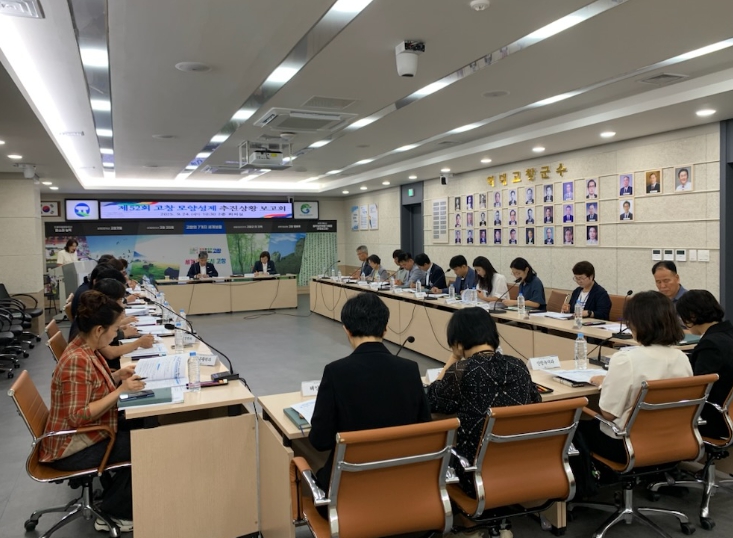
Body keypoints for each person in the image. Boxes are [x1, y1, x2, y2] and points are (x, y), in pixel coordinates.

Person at [41, 291, 146, 532]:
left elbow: (91, 385)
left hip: (87, 431)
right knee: (144, 443)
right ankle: (115, 513)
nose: (116, 334)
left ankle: (116, 496)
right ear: (99, 330)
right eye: (114, 329)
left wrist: (117, 376)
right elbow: (77, 415)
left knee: (143, 425)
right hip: (70, 447)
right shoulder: (77, 360)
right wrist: (121, 391)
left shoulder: (85, 347)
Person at [309, 293, 431, 490]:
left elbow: (320, 441)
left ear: (346, 329)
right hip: (401, 481)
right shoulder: (410, 369)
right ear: (385, 328)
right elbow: (424, 426)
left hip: (348, 487)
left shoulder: (336, 372)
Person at [426, 308, 540, 496]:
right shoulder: (518, 365)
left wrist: (454, 357)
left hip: (473, 474)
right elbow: (536, 399)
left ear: (458, 342)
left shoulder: (461, 370)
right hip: (521, 466)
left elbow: (431, 401)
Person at [577, 292, 692, 464]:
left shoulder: (626, 359)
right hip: (672, 439)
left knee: (575, 428)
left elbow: (608, 414)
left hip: (626, 444)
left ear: (636, 323)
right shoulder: (682, 358)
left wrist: (604, 384)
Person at [676, 291, 733, 439]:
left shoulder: (710, 345)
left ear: (692, 316)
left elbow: (698, 390)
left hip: (715, 420)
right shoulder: (727, 333)